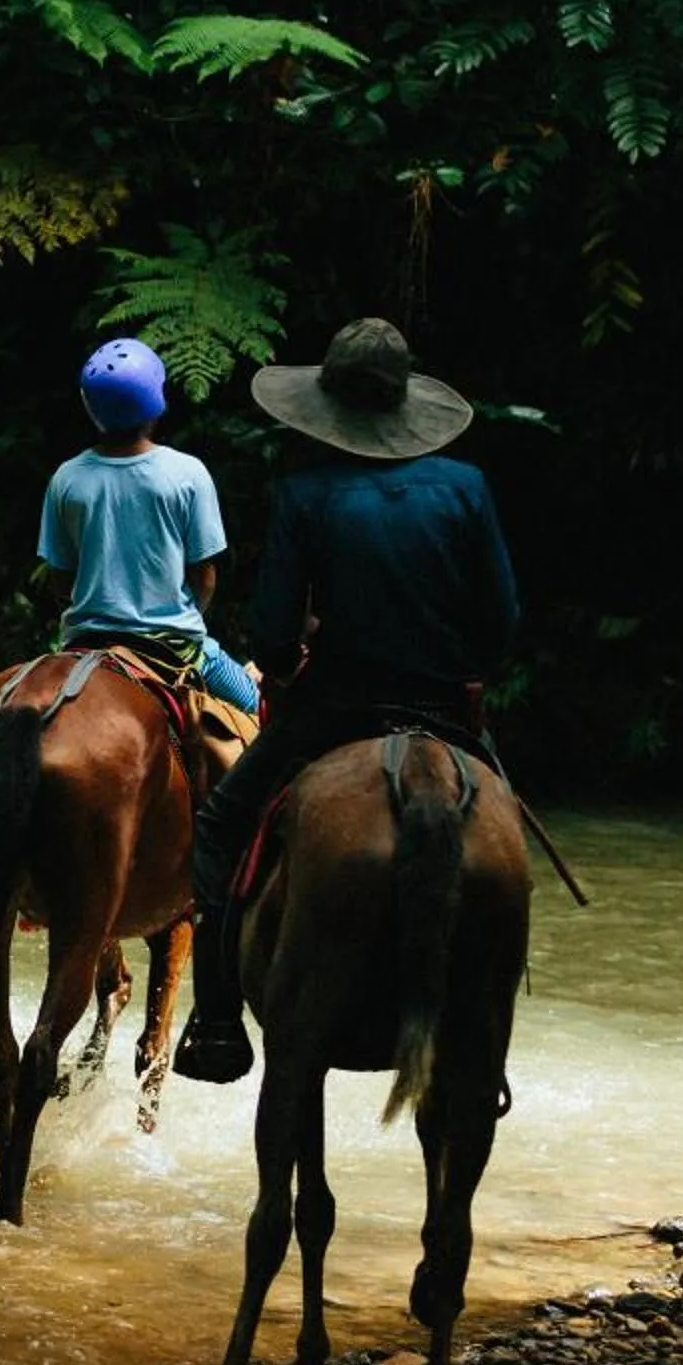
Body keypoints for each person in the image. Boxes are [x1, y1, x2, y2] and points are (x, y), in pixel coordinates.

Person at [172, 317, 519, 1084]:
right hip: (443, 714)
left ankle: (219, 1021)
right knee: (508, 844)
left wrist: (292, 660)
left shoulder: (305, 493)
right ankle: (487, 1054)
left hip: (331, 712)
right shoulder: (467, 488)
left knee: (222, 826)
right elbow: (500, 626)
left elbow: (268, 638)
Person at [38, 337, 257, 715]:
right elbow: (205, 575)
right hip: (174, 644)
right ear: (157, 403)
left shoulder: (67, 478)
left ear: (91, 408)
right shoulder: (187, 473)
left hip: (85, 642)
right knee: (255, 705)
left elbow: (61, 576)